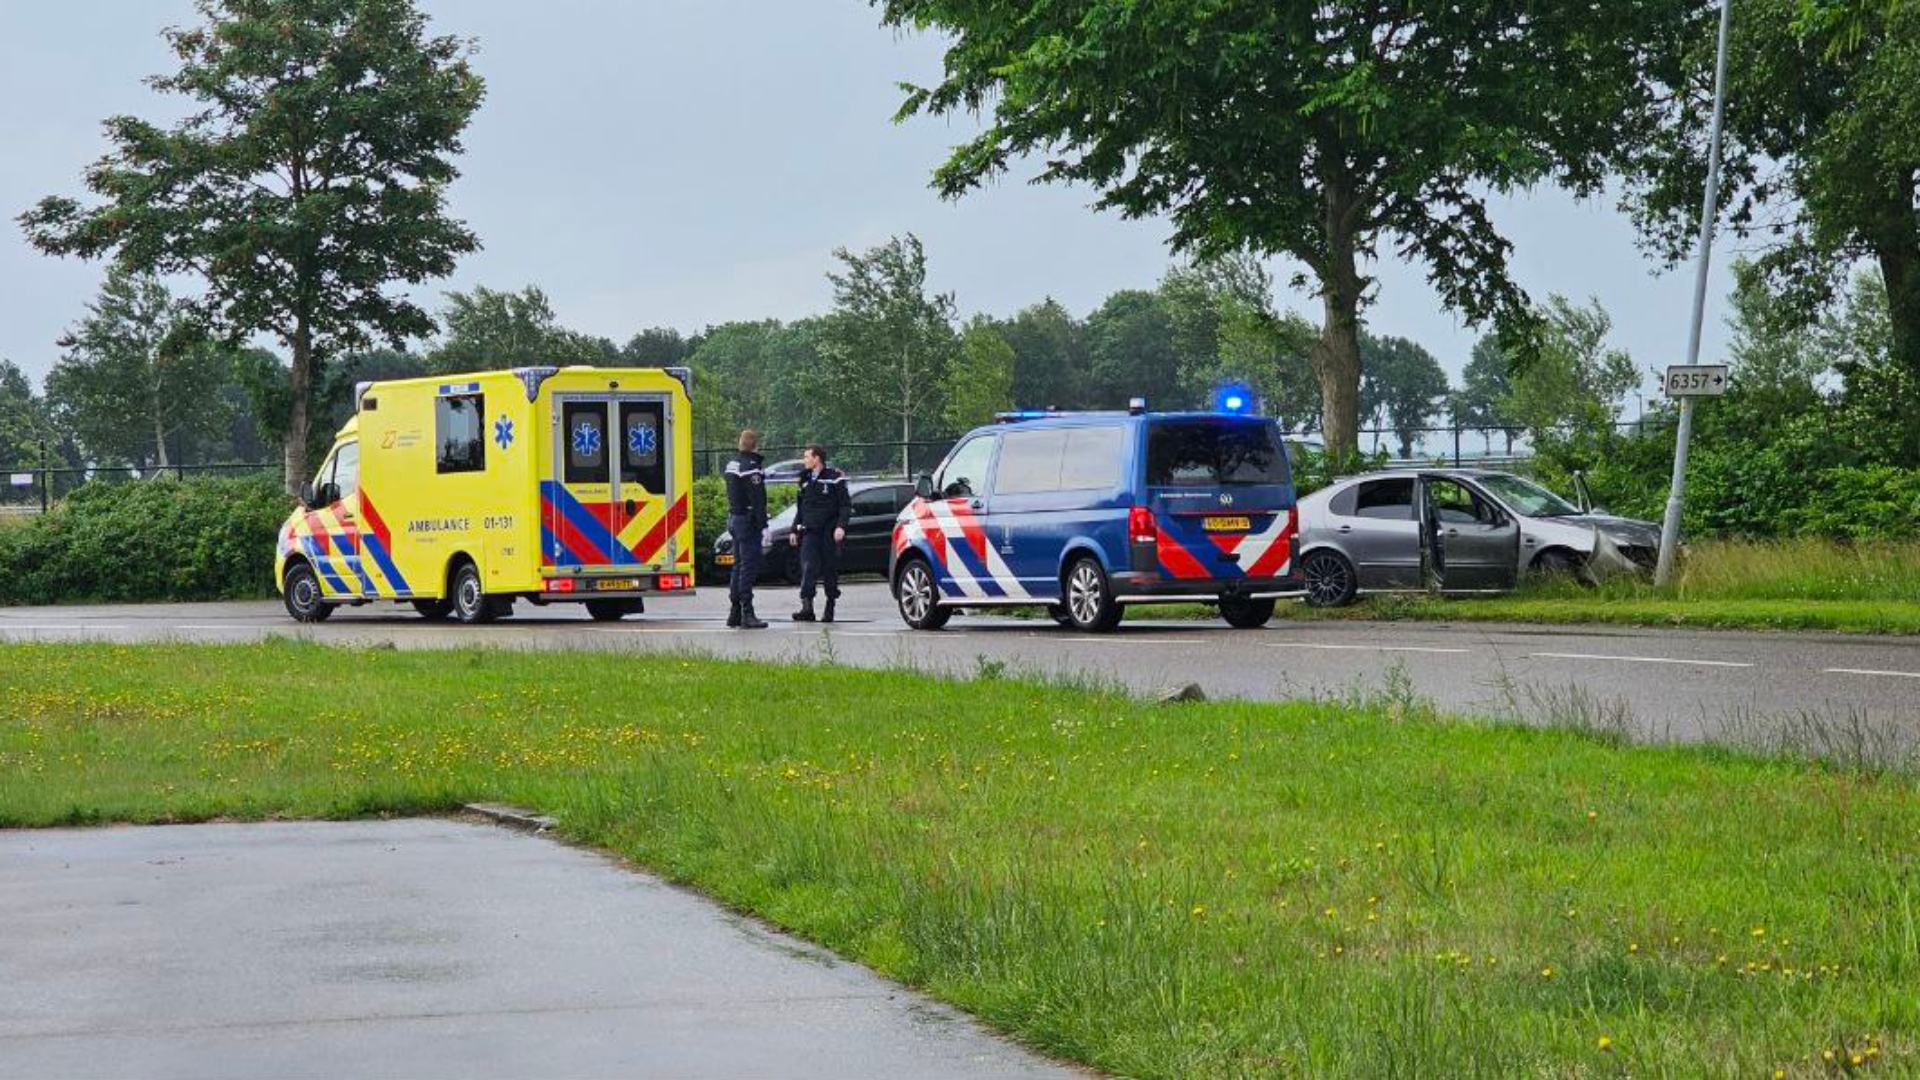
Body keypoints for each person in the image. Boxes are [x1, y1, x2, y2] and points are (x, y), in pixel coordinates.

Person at [789, 444, 851, 623]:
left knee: (829, 570)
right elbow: (801, 508)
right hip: (810, 532)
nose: (804, 460)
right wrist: (794, 528)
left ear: (817, 459)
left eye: (807, 456)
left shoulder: (834, 477)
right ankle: (807, 608)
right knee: (808, 568)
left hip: (829, 532)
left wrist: (841, 526)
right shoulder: (805, 479)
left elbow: (845, 505)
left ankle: (830, 606)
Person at [723, 429, 769, 629]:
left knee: (737, 566)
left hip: (734, 517)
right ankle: (747, 613)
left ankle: (734, 612)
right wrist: (764, 526)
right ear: (755, 445)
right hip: (748, 521)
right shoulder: (751, 467)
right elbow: (758, 500)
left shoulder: (732, 464)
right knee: (748, 568)